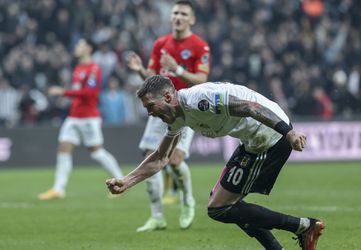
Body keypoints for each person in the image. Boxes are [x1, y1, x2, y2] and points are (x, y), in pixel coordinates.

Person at [106, 75, 325, 250]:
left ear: (167, 96)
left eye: (150, 106)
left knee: (220, 207)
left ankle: (303, 227)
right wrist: (126, 182)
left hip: (269, 136)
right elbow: (161, 157)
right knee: (225, 205)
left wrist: (289, 133)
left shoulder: (199, 101)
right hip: (253, 141)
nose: (150, 114)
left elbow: (251, 108)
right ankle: (295, 234)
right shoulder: (178, 116)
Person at [127, 0, 210, 232]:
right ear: (170, 16)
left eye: (184, 13)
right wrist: (140, 71)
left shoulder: (200, 46)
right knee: (149, 157)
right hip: (159, 110)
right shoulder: (161, 43)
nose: (178, 17)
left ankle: (187, 201)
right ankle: (157, 216)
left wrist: (177, 69)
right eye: (175, 13)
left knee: (175, 160)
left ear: (191, 19)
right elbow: (152, 78)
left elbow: (202, 80)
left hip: (185, 109)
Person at [38, 38, 124, 200]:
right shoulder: (78, 68)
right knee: (63, 148)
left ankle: (122, 182)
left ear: (89, 49)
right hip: (73, 117)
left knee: (97, 152)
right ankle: (58, 189)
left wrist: (63, 92)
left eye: (80, 45)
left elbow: (89, 93)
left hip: (89, 118)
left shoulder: (93, 69)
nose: (77, 47)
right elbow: (79, 92)